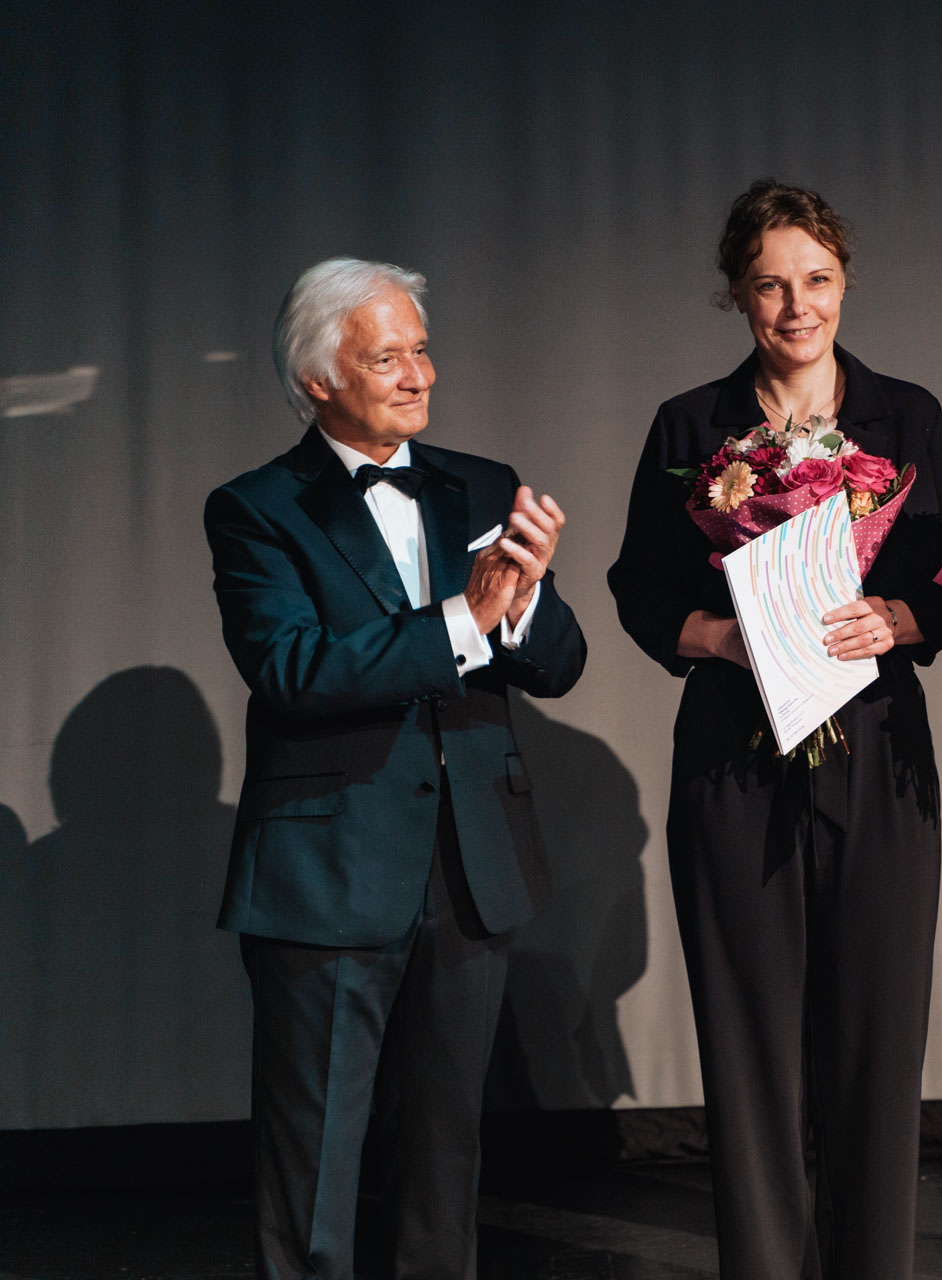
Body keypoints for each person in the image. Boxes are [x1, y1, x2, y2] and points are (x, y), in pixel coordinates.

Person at [606, 179, 942, 1278]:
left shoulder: (907, 417)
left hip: (878, 752)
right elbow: (638, 588)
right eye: (769, 284)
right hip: (735, 757)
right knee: (750, 1049)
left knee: (877, 1048)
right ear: (738, 294)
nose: (796, 305)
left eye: (816, 279)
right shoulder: (691, 425)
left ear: (845, 282)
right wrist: (720, 638)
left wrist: (899, 617)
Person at [204, 257, 587, 1279]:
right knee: (314, 1167)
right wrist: (466, 617)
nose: (419, 374)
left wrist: (526, 604)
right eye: (387, 357)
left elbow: (560, 664)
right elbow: (293, 669)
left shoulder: (484, 484)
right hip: (328, 875)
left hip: (471, 867)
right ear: (319, 378)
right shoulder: (256, 508)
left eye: (421, 349)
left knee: (444, 1164)